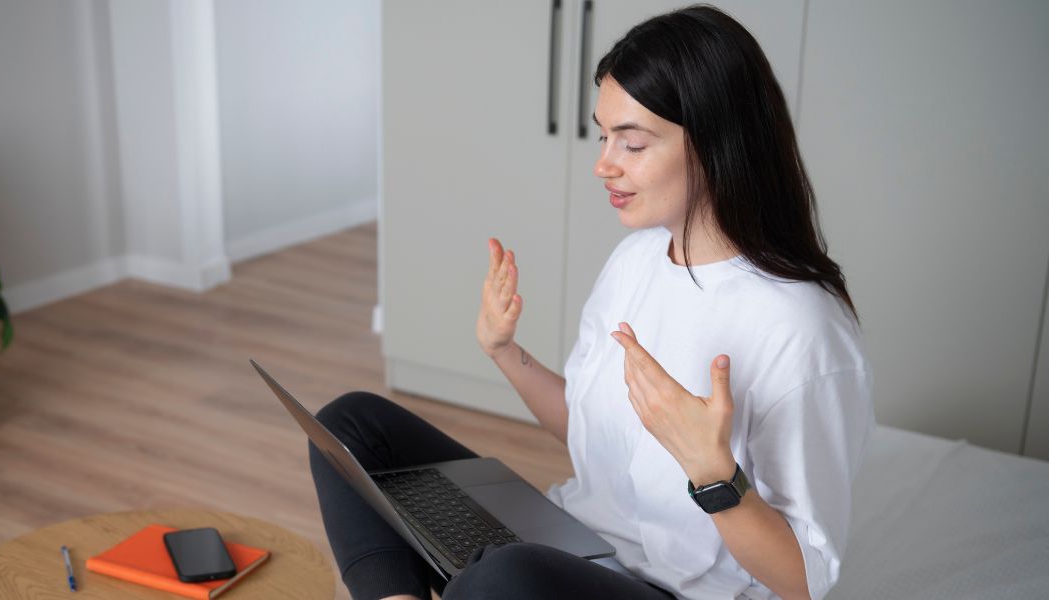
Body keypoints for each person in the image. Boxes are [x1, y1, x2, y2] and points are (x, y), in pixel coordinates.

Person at [310, 5, 874, 599]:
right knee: (349, 426)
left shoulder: (800, 325)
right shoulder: (636, 261)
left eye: (630, 144)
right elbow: (593, 432)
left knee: (502, 575)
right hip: (573, 545)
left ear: (715, 142)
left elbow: (805, 581)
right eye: (604, 136)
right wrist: (505, 353)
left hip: (675, 591)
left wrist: (714, 476)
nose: (603, 164)